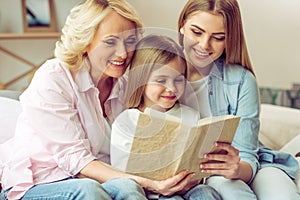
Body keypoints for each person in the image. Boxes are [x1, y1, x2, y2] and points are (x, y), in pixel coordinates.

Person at [0, 1, 198, 200]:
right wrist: (150, 184)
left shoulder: (124, 83)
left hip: (95, 181)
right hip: (39, 183)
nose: (123, 53)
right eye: (111, 42)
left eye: (129, 42)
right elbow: (76, 162)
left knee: (128, 188)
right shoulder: (54, 78)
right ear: (86, 41)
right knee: (89, 190)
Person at [177, 0, 300, 200]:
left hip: (251, 165)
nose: (204, 45)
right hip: (204, 176)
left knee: (281, 195)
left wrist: (236, 169)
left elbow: (248, 156)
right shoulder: (159, 70)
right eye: (197, 32)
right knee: (226, 187)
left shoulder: (241, 80)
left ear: (229, 39)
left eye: (218, 38)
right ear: (182, 25)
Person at [110, 34, 222, 200]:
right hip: (148, 193)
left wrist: (198, 176)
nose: (171, 88)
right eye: (161, 80)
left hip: (187, 189)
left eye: (178, 79)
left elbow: (199, 166)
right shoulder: (127, 121)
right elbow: (122, 175)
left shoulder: (190, 115)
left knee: (206, 193)